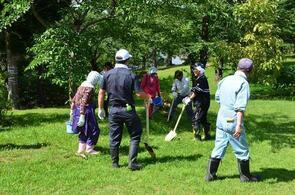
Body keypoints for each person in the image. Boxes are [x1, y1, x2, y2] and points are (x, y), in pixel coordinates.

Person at [205, 58, 259, 182]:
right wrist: (238, 125)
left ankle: (210, 175)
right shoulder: (243, 83)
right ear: (249, 70)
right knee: (242, 149)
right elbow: (240, 108)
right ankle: (245, 176)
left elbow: (218, 98)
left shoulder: (225, 80)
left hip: (221, 119)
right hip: (233, 121)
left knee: (219, 147)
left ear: (238, 67)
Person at [98, 49, 150, 171]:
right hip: (127, 110)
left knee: (114, 137)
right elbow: (138, 94)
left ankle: (115, 163)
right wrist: (148, 97)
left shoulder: (107, 74)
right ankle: (132, 163)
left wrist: (101, 109)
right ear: (127, 60)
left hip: (113, 110)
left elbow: (101, 93)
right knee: (135, 134)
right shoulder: (131, 75)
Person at [70, 71, 103, 157]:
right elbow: (84, 101)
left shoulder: (82, 85)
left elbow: (74, 98)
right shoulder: (89, 88)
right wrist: (82, 115)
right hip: (86, 111)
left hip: (77, 109)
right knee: (94, 130)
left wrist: (72, 110)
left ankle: (81, 149)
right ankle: (89, 149)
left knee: (83, 129)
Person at [182, 63, 211, 141]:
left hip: (202, 103)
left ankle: (197, 137)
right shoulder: (199, 78)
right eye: (193, 69)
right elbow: (193, 91)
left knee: (196, 119)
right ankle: (207, 135)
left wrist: (189, 99)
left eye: (195, 69)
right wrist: (187, 97)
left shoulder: (202, 79)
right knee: (203, 119)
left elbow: (196, 92)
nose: (193, 71)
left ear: (200, 70)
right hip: (202, 102)